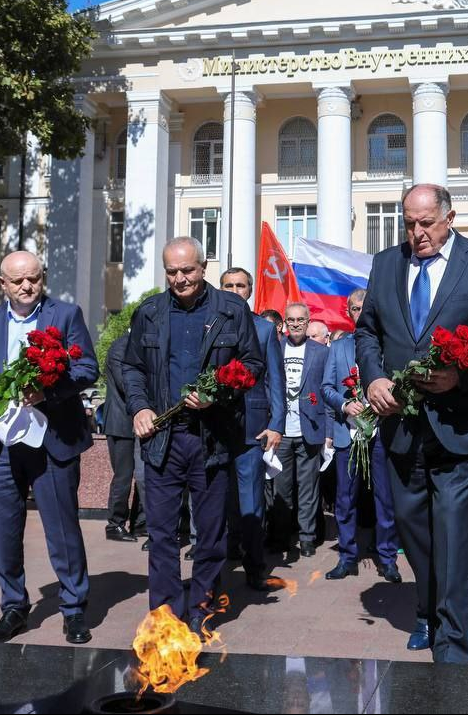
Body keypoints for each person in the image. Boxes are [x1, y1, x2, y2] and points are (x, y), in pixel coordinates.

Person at [356, 183, 468, 664]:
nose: (417, 232)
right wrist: (372, 379)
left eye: (426, 222)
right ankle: (426, 611)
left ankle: (452, 640)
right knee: (413, 529)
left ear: (449, 218)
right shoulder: (386, 263)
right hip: (401, 426)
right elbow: (368, 330)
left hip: (460, 421)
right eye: (408, 222)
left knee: (451, 530)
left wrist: (464, 374)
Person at [122, 237, 265, 638]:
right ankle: (165, 614)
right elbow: (132, 368)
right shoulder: (148, 312)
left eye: (187, 270)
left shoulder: (232, 309)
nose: (180, 278)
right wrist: (140, 407)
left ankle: (202, 606)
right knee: (163, 534)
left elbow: (252, 364)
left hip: (212, 438)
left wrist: (218, 393)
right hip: (163, 439)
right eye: (172, 272)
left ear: (203, 267)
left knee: (210, 534)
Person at [0, 250, 99, 645]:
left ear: (43, 278)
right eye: (17, 280)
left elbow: (87, 367)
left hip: (53, 441)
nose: (26, 286)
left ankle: (73, 610)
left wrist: (48, 389)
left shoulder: (66, 315)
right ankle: (14, 607)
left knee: (62, 530)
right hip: (1, 445)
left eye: (33, 278)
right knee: (5, 531)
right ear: (2, 284)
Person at [321, 288, 401, 584]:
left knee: (385, 499)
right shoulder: (339, 348)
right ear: (348, 312)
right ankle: (347, 556)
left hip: (382, 433)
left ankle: (388, 558)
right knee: (345, 499)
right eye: (356, 308)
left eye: (366, 308)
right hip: (349, 434)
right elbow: (326, 388)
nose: (361, 312)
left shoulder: (389, 346)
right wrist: (344, 404)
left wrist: (388, 404)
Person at [218, 267, 285, 591]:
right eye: (228, 285)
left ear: (250, 290)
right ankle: (220, 561)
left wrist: (276, 424)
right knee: (215, 500)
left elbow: (276, 380)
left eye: (240, 285)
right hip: (214, 428)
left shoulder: (263, 329)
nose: (234, 290)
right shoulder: (210, 324)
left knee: (251, 502)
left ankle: (255, 567)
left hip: (252, 429)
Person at [266, 302, 330, 556]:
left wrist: (328, 433)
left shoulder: (320, 352)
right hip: (280, 431)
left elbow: (326, 391)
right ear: (284, 323)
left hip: (310, 429)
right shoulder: (274, 348)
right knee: (281, 490)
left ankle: (306, 537)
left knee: (308, 488)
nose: (295, 324)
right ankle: (281, 538)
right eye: (290, 320)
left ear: (307, 321)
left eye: (300, 320)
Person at [102, 333, 143, 542]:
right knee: (123, 476)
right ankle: (115, 524)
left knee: (143, 476)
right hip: (121, 423)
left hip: (140, 421)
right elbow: (126, 385)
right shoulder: (121, 347)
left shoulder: (138, 344)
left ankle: (139, 523)